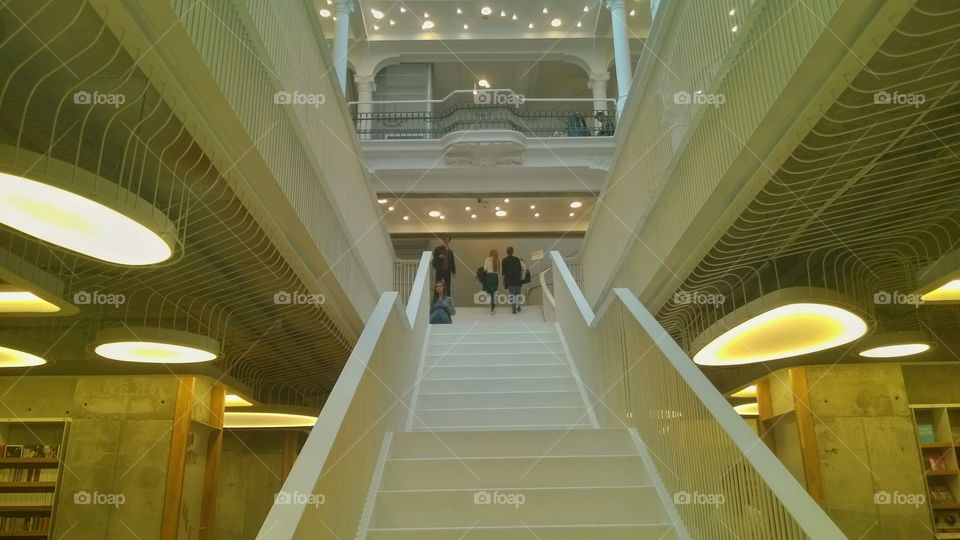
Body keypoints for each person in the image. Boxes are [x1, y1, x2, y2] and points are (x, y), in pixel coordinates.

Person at [501, 246, 523, 314]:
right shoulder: (516, 259)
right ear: (513, 252)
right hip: (517, 279)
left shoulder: (504, 260)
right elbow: (520, 270)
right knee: (518, 294)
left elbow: (503, 272)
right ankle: (518, 306)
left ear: (507, 252)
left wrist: (503, 281)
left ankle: (513, 309)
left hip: (509, 280)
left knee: (512, 295)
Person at [482, 249, 500, 315]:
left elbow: (485, 268)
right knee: (494, 293)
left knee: (489, 291)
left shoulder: (487, 259)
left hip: (489, 276)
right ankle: (492, 308)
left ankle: (491, 305)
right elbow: (499, 271)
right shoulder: (497, 261)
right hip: (495, 277)